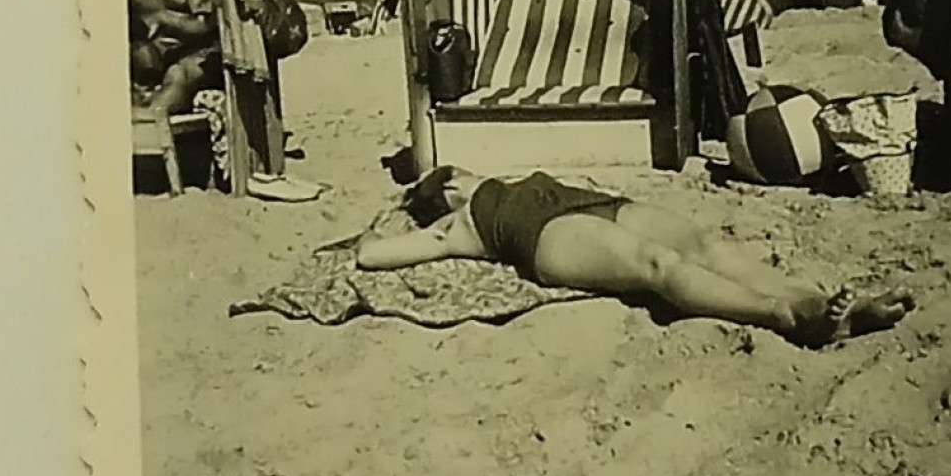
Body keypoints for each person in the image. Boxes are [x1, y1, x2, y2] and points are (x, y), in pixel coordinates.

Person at [355, 167, 914, 348]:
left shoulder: (498, 175)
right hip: (549, 234)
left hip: (596, 202)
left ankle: (818, 300)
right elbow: (373, 257)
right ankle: (788, 318)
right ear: (444, 191)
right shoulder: (453, 225)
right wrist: (379, 227)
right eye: (448, 177)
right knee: (657, 266)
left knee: (704, 245)